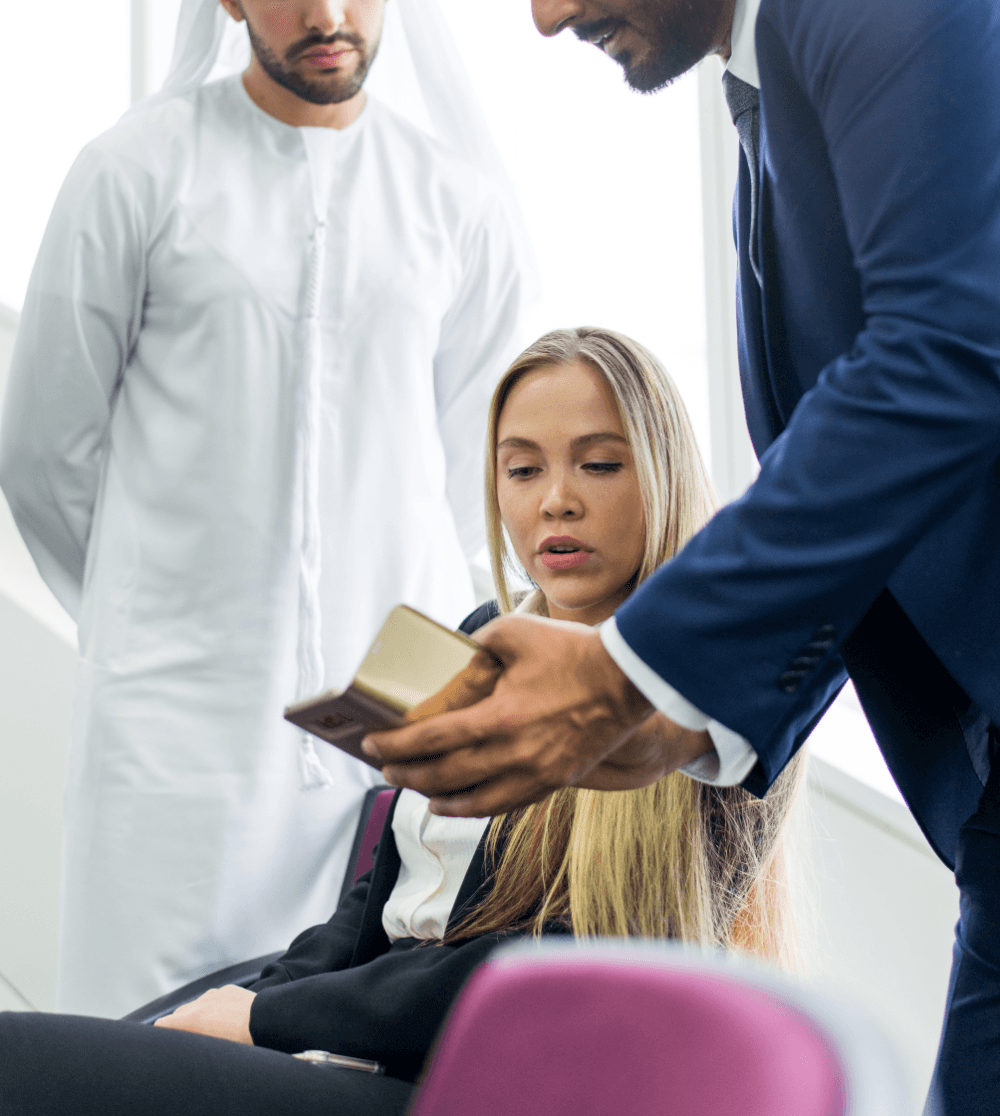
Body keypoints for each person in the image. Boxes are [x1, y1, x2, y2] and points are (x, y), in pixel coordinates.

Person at [365, 0, 1000, 1113]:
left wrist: (627, 662)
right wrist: (669, 720)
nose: (537, 11)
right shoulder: (768, 124)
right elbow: (868, 489)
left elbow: (953, 350)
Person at [0, 326, 802, 1116]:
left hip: (482, 1083)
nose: (556, 498)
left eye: (598, 464)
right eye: (522, 469)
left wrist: (264, 1018)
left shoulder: (701, 708)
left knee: (27, 1063)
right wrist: (245, 1004)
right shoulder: (476, 632)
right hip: (372, 1047)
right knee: (131, 1038)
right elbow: (375, 909)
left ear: (660, 475)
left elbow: (546, 972)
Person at [0, 0, 525, 1017]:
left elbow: (468, 473)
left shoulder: (457, 203)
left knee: (326, 1041)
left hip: (379, 736)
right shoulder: (135, 171)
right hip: (172, 733)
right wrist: (157, 616)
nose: (324, 6)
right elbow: (43, 452)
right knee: (135, 1055)